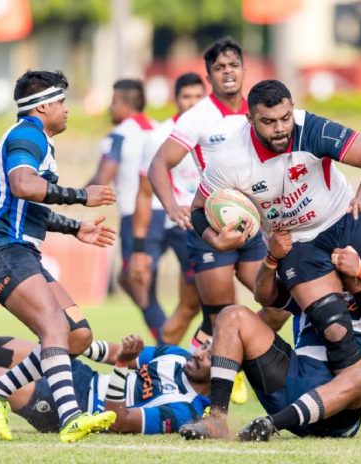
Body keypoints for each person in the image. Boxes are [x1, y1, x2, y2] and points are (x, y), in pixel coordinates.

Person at [189, 79, 361, 424]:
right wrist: (215, 240)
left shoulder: (311, 128)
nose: (280, 128)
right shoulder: (229, 156)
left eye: (285, 118)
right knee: (333, 325)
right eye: (269, 122)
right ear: (249, 120)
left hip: (346, 220)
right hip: (297, 243)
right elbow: (198, 210)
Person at [0, 70, 118, 443]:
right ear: (43, 105)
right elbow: (23, 186)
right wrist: (82, 196)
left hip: (18, 251)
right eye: (63, 102)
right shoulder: (27, 135)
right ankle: (71, 418)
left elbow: (31, 204)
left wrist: (74, 227)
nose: (67, 110)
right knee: (54, 328)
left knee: (78, 335)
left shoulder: (36, 140)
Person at [148, 37, 268, 403]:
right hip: (209, 227)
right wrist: (172, 207)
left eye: (233, 65)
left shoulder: (261, 110)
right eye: (219, 68)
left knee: (275, 298)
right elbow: (158, 165)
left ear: (245, 70)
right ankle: (215, 382)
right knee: (218, 315)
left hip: (252, 226)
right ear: (210, 76)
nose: (227, 72)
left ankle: (236, 355)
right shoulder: (199, 116)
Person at [0, 333, 211, 435]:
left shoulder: (184, 410)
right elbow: (116, 353)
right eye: (205, 347)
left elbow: (118, 419)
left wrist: (122, 367)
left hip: (79, 410)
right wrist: (76, 344)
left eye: (209, 356)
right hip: (82, 375)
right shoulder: (177, 355)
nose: (199, 353)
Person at [129, 72, 206, 345]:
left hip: (220, 223)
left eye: (199, 97)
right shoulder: (159, 137)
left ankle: (171, 362)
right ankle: (163, 362)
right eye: (187, 97)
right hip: (185, 228)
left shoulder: (217, 131)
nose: (193, 103)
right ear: (176, 100)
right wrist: (139, 249)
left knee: (207, 306)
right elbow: (144, 193)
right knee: (197, 306)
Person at [86, 79, 164, 342]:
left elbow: (102, 179)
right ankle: (166, 334)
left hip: (138, 216)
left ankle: (168, 343)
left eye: (113, 101)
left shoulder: (119, 136)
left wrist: (68, 195)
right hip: (168, 213)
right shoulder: (160, 129)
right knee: (129, 278)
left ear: (124, 102)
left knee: (136, 283)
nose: (110, 106)